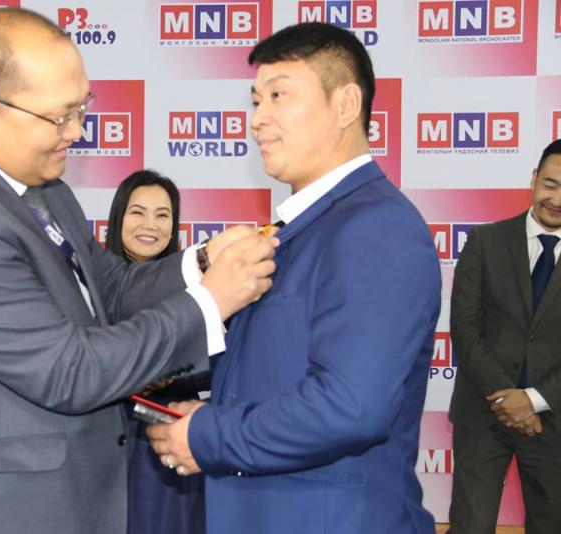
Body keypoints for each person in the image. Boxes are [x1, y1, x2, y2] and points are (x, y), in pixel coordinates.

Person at [0, 9, 277, 534]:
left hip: (69, 501)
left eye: (82, 107)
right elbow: (70, 372)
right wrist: (211, 302)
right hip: (0, 514)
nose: (77, 132)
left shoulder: (42, 186)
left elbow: (110, 289)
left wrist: (202, 264)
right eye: (58, 117)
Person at [147, 22, 442, 534]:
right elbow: (280, 369)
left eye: (279, 96)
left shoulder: (376, 227)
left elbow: (350, 406)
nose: (258, 119)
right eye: (255, 101)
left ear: (346, 105)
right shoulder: (306, 227)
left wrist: (210, 435)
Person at [448, 138, 561, 534]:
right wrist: (507, 399)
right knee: (471, 526)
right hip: (483, 413)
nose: (556, 199)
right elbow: (465, 327)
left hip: (553, 417)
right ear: (534, 178)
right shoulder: (485, 242)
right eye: (550, 184)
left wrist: (532, 400)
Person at [104, 170, 206, 534]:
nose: (150, 225)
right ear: (119, 217)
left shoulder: (198, 288)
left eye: (162, 215)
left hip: (172, 438)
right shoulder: (92, 287)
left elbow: (216, 362)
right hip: (107, 439)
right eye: (138, 212)